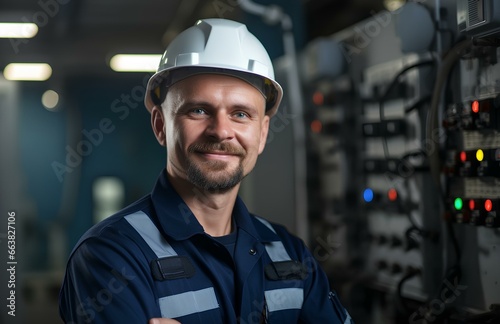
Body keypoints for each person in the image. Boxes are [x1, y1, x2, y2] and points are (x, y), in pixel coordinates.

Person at [59, 18, 353, 324]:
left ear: (263, 133)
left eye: (241, 114)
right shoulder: (111, 257)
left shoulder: (289, 253)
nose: (221, 131)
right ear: (161, 125)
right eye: (198, 110)